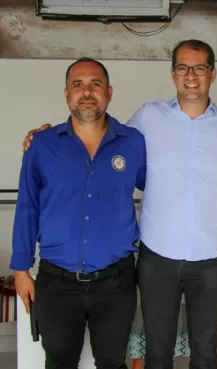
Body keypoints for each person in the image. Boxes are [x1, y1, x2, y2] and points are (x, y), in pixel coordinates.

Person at [22, 39, 217, 369]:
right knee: (157, 351)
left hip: (210, 256)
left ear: (213, 73)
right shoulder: (148, 117)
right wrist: (45, 135)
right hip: (157, 257)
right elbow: (101, 135)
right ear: (173, 73)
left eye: (199, 68)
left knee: (206, 351)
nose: (191, 75)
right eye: (183, 67)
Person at [11, 57, 146, 369]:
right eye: (78, 84)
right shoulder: (42, 145)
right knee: (59, 361)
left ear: (109, 93)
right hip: (56, 282)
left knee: (112, 362)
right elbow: (28, 205)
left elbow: (160, 190)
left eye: (95, 84)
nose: (87, 91)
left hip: (116, 281)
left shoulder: (133, 142)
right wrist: (21, 269)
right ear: (66, 94)